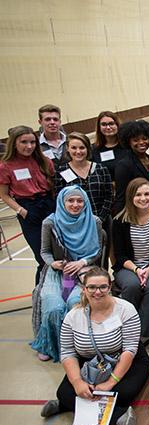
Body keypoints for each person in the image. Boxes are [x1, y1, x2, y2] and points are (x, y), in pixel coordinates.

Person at [39, 267, 149, 425]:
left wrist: (110, 382)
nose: (97, 292)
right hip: (90, 363)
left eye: (102, 287)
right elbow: (68, 353)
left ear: (110, 287)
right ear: (84, 289)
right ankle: (118, 416)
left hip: (126, 360)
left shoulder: (126, 310)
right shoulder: (73, 316)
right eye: (91, 287)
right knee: (66, 391)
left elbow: (130, 349)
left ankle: (67, 405)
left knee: (122, 393)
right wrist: (77, 382)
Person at [31, 186, 103, 362]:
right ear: (62, 202)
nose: (75, 204)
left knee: (76, 302)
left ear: (85, 202)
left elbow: (97, 251)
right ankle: (50, 345)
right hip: (57, 272)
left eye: (80, 201)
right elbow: (44, 252)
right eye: (70, 200)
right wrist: (54, 263)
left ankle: (81, 345)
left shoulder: (94, 221)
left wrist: (81, 262)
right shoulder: (50, 223)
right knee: (53, 306)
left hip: (85, 271)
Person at [112, 178, 149, 339]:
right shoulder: (120, 221)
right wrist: (137, 270)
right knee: (132, 286)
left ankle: (141, 333)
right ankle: (128, 325)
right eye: (138, 195)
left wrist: (148, 270)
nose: (143, 198)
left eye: (147, 194)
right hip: (128, 267)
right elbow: (120, 254)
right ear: (131, 197)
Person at [0, 125, 56, 284]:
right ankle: (41, 294)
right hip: (28, 209)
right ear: (14, 143)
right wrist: (22, 211)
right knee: (43, 257)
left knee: (61, 254)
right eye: (24, 142)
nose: (29, 146)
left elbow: (53, 184)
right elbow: (3, 194)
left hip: (49, 205)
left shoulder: (44, 161)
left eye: (32, 142)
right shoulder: (6, 166)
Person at [55, 132, 113, 224]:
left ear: (88, 149)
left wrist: (101, 219)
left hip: (102, 222)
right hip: (76, 225)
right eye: (74, 148)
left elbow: (109, 196)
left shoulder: (100, 169)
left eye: (82, 148)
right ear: (68, 149)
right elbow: (60, 199)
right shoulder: (62, 171)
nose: (78, 152)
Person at [113, 120, 149, 215]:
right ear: (129, 142)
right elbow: (121, 196)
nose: (141, 142)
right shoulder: (124, 165)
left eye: (144, 139)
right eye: (136, 140)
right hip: (135, 213)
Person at [91, 111, 125, 181]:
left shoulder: (127, 145)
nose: (108, 127)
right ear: (99, 127)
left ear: (117, 125)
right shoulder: (93, 149)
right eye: (104, 124)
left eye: (111, 124)